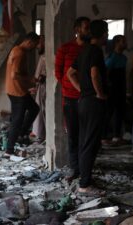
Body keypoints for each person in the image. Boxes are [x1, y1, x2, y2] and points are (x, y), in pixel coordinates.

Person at [67, 20, 109, 197]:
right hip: (92, 102)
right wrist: (99, 93)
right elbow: (94, 73)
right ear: (102, 34)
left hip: (83, 101)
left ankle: (85, 180)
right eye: (106, 32)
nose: (108, 36)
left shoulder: (83, 51)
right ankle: (85, 185)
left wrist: (83, 90)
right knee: (90, 143)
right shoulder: (95, 51)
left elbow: (70, 74)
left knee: (85, 141)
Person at [55, 16, 90, 183]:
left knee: (86, 136)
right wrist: (70, 87)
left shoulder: (91, 49)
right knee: (72, 136)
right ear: (77, 30)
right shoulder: (66, 48)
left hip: (88, 99)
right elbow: (58, 73)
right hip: (70, 99)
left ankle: (86, 170)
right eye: (85, 27)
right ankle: (74, 169)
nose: (88, 31)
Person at [5, 31, 40, 156]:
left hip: (15, 89)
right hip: (17, 91)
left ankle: (21, 133)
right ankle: (9, 150)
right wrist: (30, 80)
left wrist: (28, 85)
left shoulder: (16, 49)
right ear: (29, 42)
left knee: (34, 109)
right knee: (17, 120)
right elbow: (15, 75)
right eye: (34, 45)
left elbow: (18, 73)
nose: (35, 48)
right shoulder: (19, 52)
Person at [101, 35, 128, 146]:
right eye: (123, 41)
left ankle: (116, 137)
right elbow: (105, 72)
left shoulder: (124, 58)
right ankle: (103, 137)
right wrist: (108, 86)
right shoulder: (112, 58)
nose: (125, 43)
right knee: (108, 113)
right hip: (112, 90)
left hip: (121, 89)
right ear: (116, 43)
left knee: (119, 113)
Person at [32, 35, 46, 143]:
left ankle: (42, 135)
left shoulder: (46, 57)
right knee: (39, 111)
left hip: (44, 88)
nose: (38, 46)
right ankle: (39, 134)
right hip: (40, 87)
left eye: (40, 43)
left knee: (43, 111)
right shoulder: (42, 56)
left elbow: (42, 76)